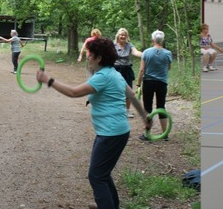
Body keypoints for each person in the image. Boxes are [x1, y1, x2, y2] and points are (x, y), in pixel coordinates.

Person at [35, 37, 150, 209]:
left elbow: (74, 93)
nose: (87, 56)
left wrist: (48, 80)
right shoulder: (114, 74)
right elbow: (132, 96)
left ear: (99, 58)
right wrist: (145, 117)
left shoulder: (103, 77)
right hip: (115, 132)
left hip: (111, 134)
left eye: (90, 53)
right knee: (102, 173)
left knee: (97, 176)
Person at [137, 30, 172, 141]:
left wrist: (138, 84)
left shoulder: (146, 52)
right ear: (162, 40)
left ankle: (147, 134)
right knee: (161, 107)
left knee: (147, 107)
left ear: (153, 40)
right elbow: (169, 68)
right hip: (162, 83)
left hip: (148, 82)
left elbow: (142, 70)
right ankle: (165, 134)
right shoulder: (168, 53)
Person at [114, 28, 143, 118]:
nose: (123, 36)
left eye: (125, 35)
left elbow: (135, 52)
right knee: (116, 91)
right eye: (121, 35)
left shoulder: (129, 45)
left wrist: (146, 54)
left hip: (127, 70)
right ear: (118, 36)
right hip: (116, 70)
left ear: (127, 36)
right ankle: (116, 111)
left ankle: (127, 111)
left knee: (129, 91)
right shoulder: (113, 45)